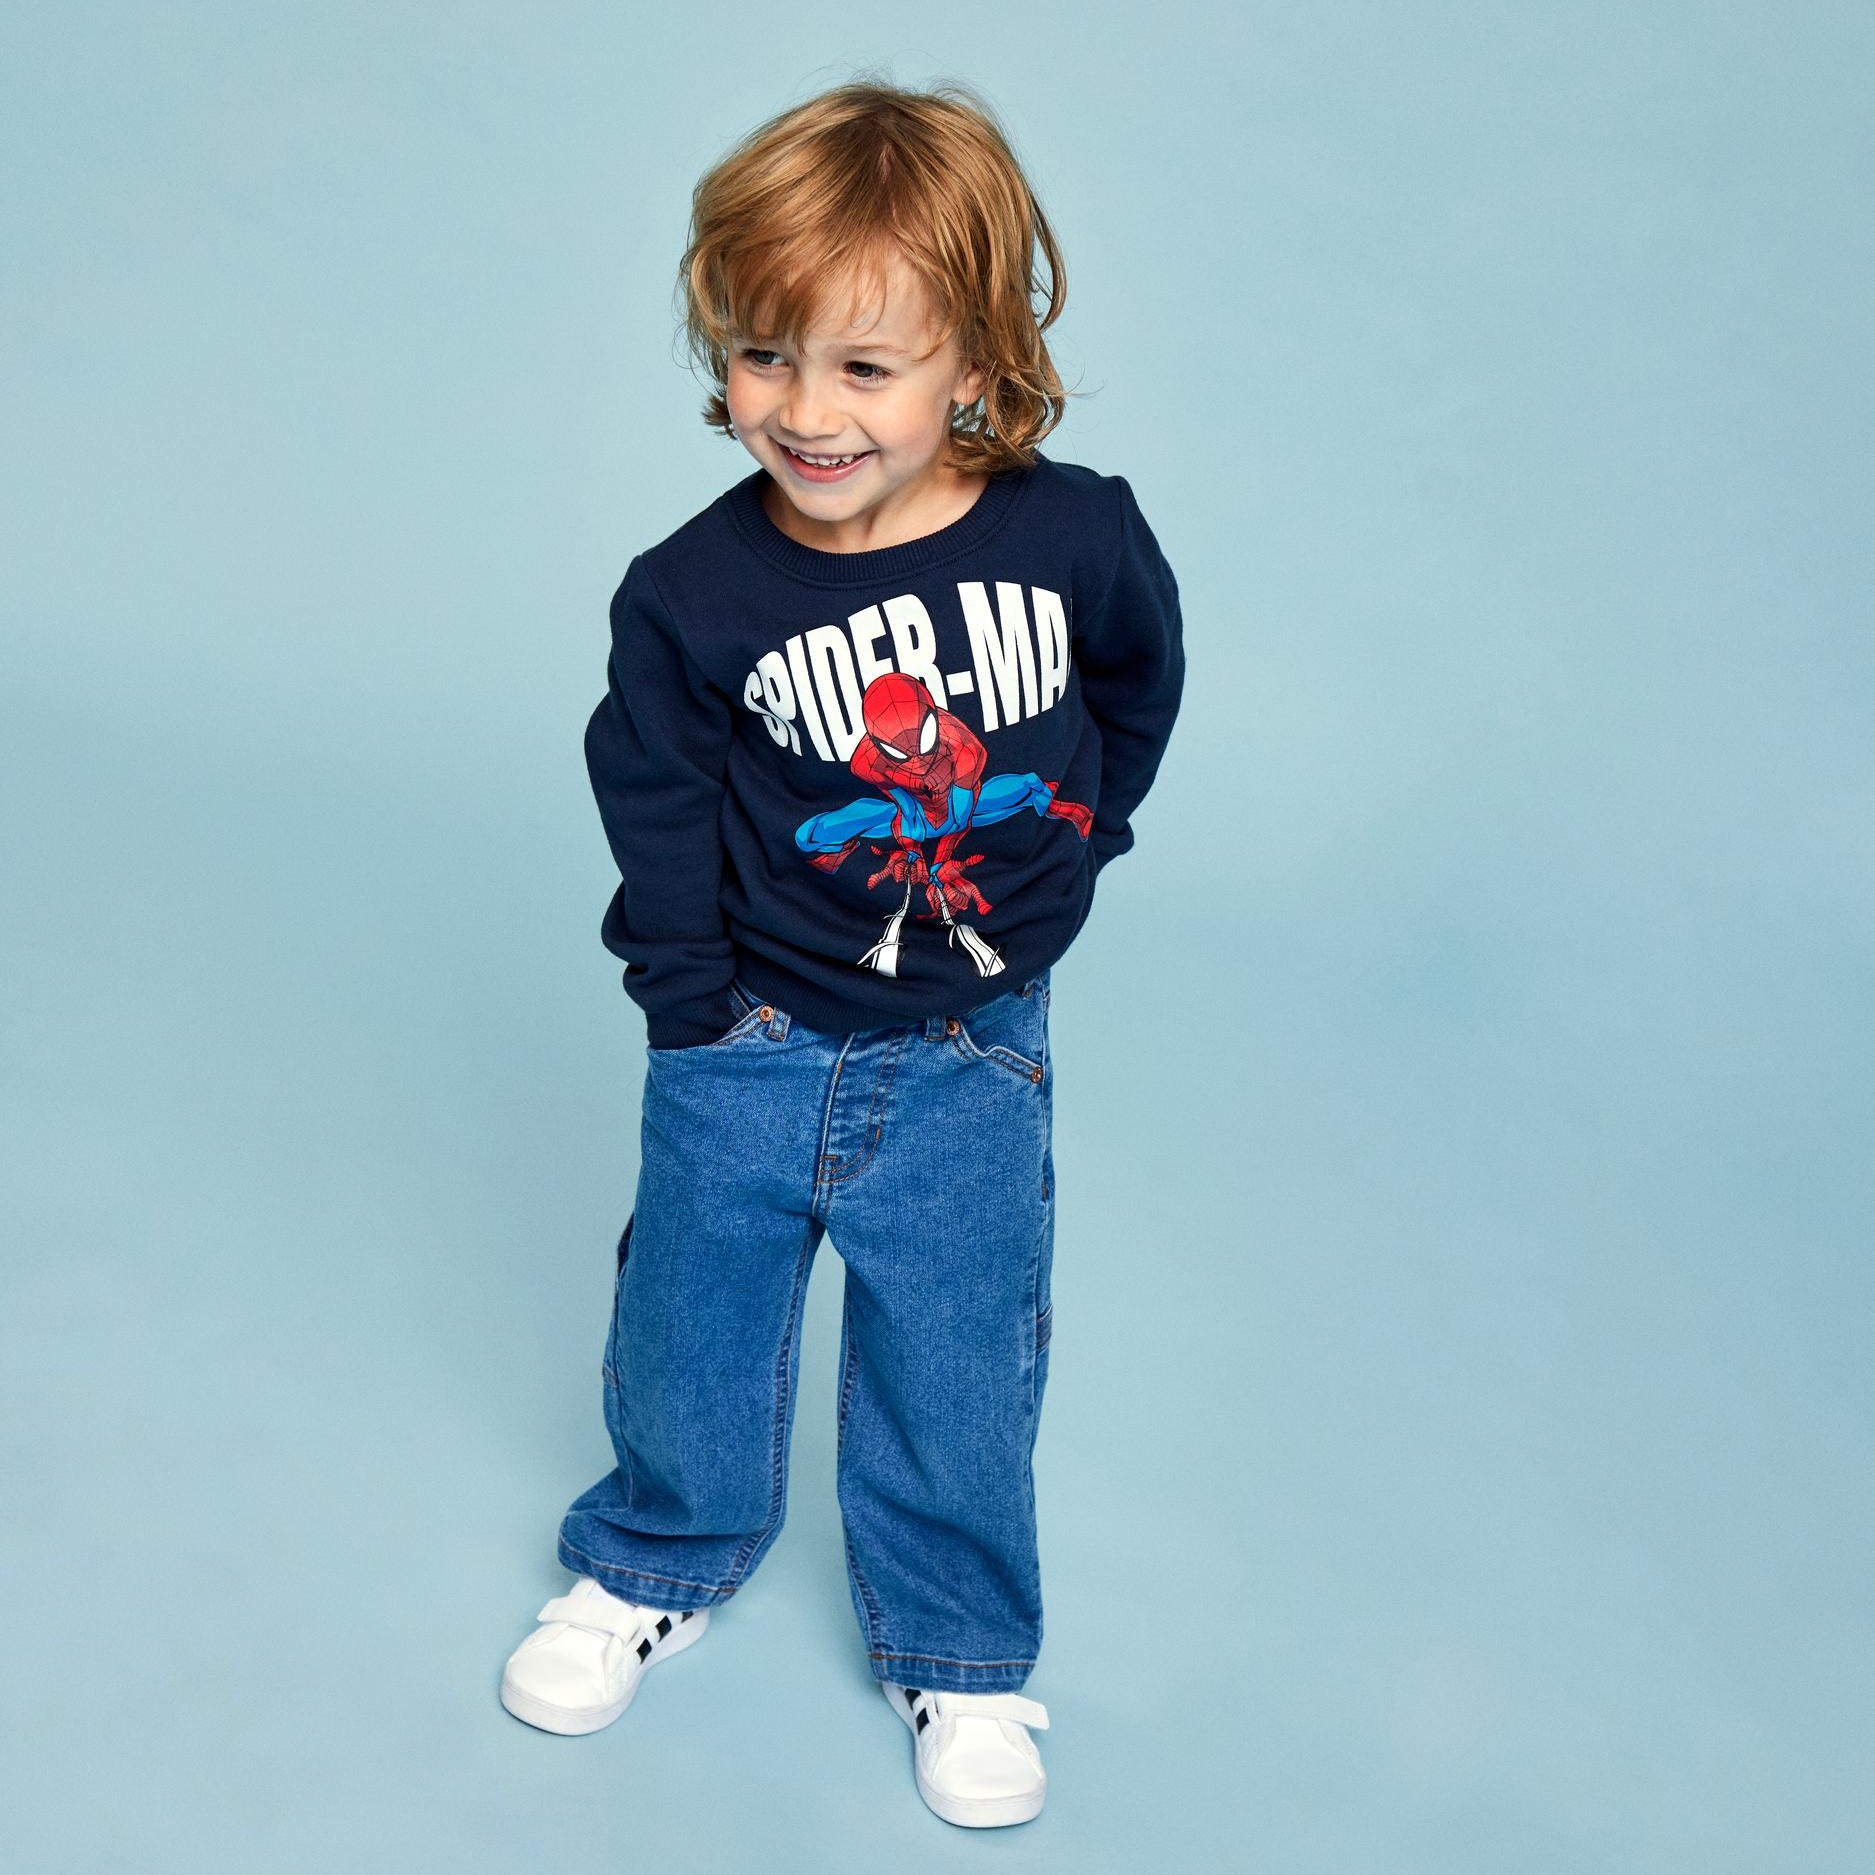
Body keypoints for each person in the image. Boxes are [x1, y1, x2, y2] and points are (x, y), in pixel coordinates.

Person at [498, 77, 1185, 1831]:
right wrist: (691, 1004)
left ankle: (962, 1652)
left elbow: (1137, 681)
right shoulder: (689, 593)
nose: (804, 412)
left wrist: (1083, 841)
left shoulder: (1078, 535)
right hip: (748, 1034)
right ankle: (655, 1557)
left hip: (974, 1048)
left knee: (957, 1356)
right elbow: (652, 797)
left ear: (977, 360)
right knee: (692, 1321)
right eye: (762, 356)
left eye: (864, 367)